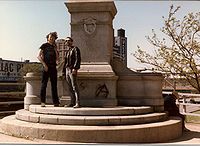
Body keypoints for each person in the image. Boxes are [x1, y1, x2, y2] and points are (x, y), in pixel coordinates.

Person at [37, 32, 60, 107]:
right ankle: (42, 102)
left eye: (53, 37)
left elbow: (57, 58)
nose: (52, 38)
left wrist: (57, 61)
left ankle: (56, 102)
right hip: (46, 67)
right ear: (48, 38)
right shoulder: (44, 45)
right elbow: (38, 56)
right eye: (50, 37)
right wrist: (44, 65)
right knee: (44, 84)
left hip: (53, 67)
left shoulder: (54, 47)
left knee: (54, 85)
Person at [63, 37, 81, 108]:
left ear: (72, 41)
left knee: (74, 86)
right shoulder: (67, 51)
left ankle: (78, 103)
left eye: (69, 41)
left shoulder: (75, 49)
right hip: (67, 70)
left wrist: (75, 68)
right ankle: (72, 102)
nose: (67, 42)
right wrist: (64, 72)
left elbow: (78, 59)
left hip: (72, 69)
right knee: (70, 87)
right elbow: (65, 62)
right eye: (66, 41)